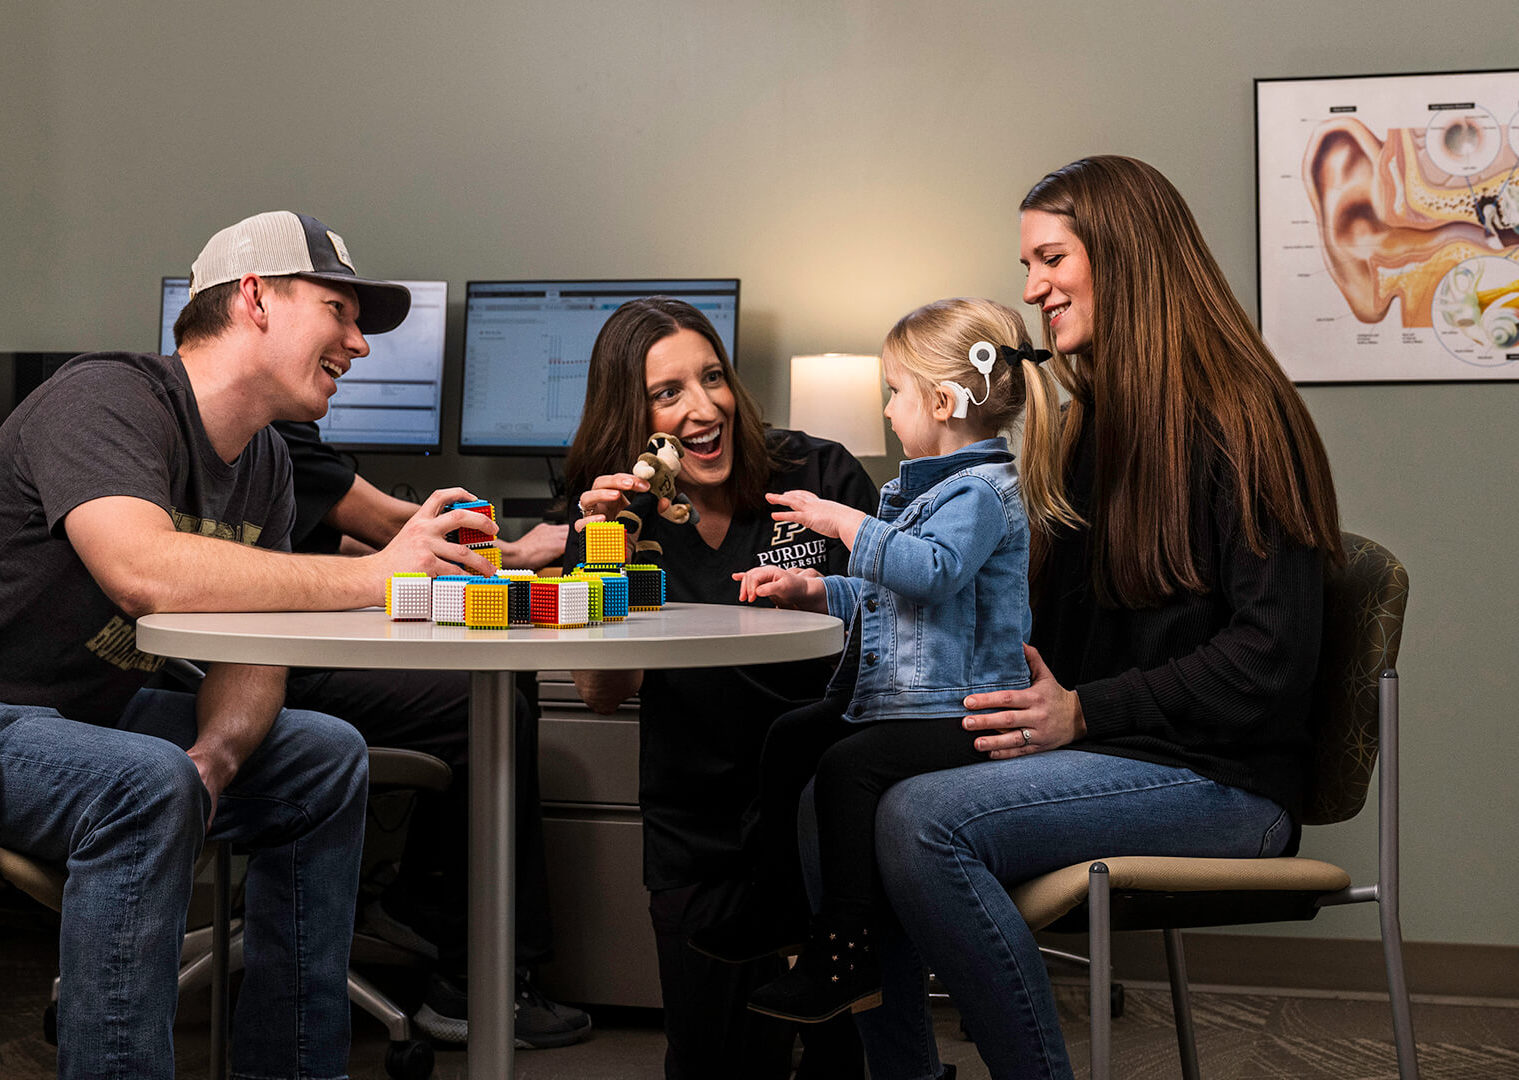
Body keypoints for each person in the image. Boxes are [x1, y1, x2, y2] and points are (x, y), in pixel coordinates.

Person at [0, 210, 502, 1080]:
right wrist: (379, 578)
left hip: (69, 721)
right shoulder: (104, 397)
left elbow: (255, 642)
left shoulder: (266, 466)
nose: (359, 345)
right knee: (146, 782)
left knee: (324, 758)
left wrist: (218, 755)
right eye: (340, 311)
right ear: (255, 298)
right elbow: (142, 568)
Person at [819, 155, 1344, 1080]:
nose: (1032, 289)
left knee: (919, 821)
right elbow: (1050, 627)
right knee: (845, 779)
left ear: (1124, 254)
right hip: (1115, 750)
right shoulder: (1102, 422)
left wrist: (1086, 712)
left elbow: (1271, 658)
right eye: (1028, 266)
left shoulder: (1244, 417)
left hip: (1225, 780)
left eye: (1050, 258)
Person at [682, 298, 1075, 1028]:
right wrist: (812, 587)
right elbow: (887, 589)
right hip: (904, 695)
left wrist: (845, 521)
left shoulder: (984, 494)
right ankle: (780, 907)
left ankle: (845, 949)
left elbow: (931, 572)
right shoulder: (924, 489)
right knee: (791, 736)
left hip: (965, 709)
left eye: (895, 391)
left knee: (846, 767)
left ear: (945, 400)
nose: (889, 408)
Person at [564, 296, 882, 1079]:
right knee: (713, 1062)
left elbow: (898, 633)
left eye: (713, 378)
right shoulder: (618, 515)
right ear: (632, 419)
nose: (705, 409)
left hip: (824, 813)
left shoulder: (816, 473)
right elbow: (604, 690)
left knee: (847, 1059)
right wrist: (602, 554)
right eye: (669, 393)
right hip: (698, 822)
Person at [265, 418, 590, 1048]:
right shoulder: (268, 434)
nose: (357, 346)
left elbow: (327, 544)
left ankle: (422, 905)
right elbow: (393, 528)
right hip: (250, 672)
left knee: (497, 678)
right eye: (338, 313)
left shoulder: (261, 441)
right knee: (489, 700)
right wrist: (516, 554)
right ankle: (474, 987)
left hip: (265, 653)